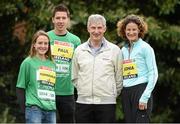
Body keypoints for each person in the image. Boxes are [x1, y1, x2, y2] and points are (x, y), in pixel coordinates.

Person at [72, 14, 123, 123]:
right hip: (83, 103)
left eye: (99, 27)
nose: (96, 31)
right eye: (93, 27)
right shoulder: (79, 51)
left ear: (104, 28)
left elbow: (119, 78)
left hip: (107, 104)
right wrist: (83, 90)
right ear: (88, 28)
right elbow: (75, 76)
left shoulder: (115, 50)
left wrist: (111, 94)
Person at [117, 14, 158, 123]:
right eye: (128, 29)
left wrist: (145, 97)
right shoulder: (124, 50)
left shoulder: (146, 48)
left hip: (141, 91)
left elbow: (153, 74)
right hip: (126, 93)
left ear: (139, 30)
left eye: (134, 29)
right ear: (124, 31)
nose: (131, 32)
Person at [47, 4, 81, 123]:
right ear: (53, 19)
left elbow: (79, 66)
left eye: (63, 18)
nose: (60, 21)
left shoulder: (75, 41)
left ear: (68, 20)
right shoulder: (46, 37)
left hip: (68, 92)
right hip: (47, 90)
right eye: (58, 18)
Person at [16, 30, 56, 123]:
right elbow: (20, 88)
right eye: (40, 43)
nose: (43, 46)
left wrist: (55, 108)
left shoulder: (52, 64)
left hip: (51, 110)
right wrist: (24, 110)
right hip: (34, 110)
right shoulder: (28, 62)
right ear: (34, 44)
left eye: (46, 43)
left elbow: (52, 88)